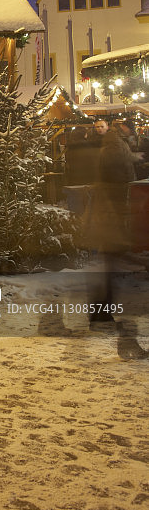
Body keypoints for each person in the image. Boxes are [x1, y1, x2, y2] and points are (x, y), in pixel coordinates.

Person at [88, 123, 147, 358]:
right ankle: (102, 316)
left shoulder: (114, 144)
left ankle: (100, 314)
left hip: (110, 213)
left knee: (110, 265)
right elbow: (115, 173)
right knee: (110, 264)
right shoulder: (113, 146)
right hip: (110, 214)